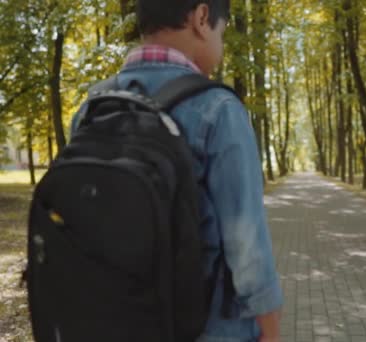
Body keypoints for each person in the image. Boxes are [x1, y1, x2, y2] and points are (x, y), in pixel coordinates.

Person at [70, 0, 283, 341]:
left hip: (116, 322)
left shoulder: (92, 107)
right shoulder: (219, 109)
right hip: (207, 328)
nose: (221, 45)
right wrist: (271, 332)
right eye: (222, 32)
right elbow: (247, 248)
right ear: (201, 18)